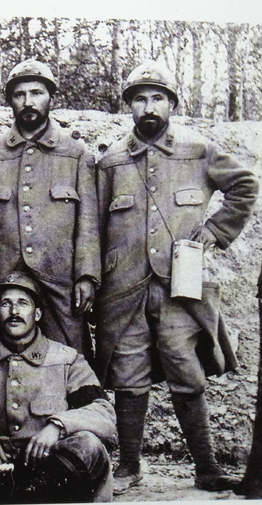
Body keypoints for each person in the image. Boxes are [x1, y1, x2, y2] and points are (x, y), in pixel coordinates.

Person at [96, 60, 258, 494]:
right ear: (129, 105)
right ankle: (129, 466)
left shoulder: (197, 150)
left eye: (158, 98)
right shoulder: (109, 161)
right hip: (123, 288)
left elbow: (245, 185)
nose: (149, 107)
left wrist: (212, 233)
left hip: (179, 291)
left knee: (187, 374)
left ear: (171, 104)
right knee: (128, 378)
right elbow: (91, 226)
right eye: (140, 99)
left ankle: (205, 468)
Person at [0, 59, 100, 359]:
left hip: (60, 280)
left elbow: (88, 223)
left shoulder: (75, 153)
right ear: (10, 100)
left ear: (51, 97)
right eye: (19, 94)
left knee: (70, 359)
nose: (28, 102)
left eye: (37, 93)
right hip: (4, 281)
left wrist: (87, 276)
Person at [0, 271, 116, 503]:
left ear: (37, 313)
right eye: (5, 304)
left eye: (23, 303)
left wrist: (57, 427)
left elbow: (103, 414)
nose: (14, 312)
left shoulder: (66, 360)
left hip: (51, 469)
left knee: (88, 445)